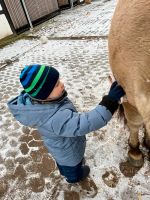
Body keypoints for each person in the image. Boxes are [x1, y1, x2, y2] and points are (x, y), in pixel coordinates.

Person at [7, 64, 125, 184]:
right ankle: (74, 179)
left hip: (60, 151)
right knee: (72, 170)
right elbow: (84, 123)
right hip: (70, 154)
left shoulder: (42, 104)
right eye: (57, 84)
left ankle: (65, 172)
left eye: (59, 80)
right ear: (44, 95)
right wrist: (110, 101)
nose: (62, 84)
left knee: (63, 165)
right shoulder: (55, 118)